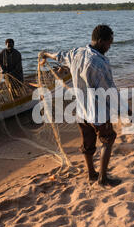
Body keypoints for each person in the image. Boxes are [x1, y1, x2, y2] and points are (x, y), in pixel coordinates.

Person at [39, 25, 122, 187]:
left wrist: (45, 54)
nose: (109, 47)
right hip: (97, 112)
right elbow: (109, 89)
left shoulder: (76, 53)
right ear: (100, 41)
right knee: (108, 139)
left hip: (81, 111)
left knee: (88, 143)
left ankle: (92, 174)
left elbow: (59, 56)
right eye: (108, 43)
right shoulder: (99, 62)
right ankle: (103, 178)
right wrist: (124, 109)